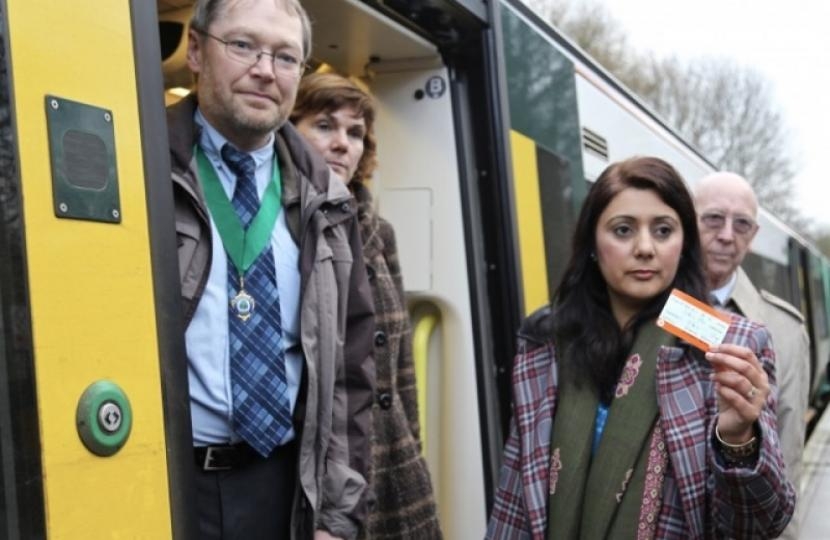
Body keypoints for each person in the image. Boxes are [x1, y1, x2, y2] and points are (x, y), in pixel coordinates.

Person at [486, 157, 795, 539]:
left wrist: (738, 441)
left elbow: (759, 524)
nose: (645, 248)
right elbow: (514, 500)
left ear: (684, 244)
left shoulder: (730, 345)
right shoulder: (546, 340)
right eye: (623, 230)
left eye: (663, 230)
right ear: (592, 244)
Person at [168, 1, 375, 538]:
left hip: (283, 490)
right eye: (242, 46)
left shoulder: (329, 202)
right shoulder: (141, 165)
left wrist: (336, 518)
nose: (265, 69)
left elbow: (350, 374)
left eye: (286, 57)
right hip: (165, 479)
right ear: (195, 50)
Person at [291, 72, 443, 539]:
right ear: (288, 130)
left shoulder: (380, 234)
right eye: (325, 126)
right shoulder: (279, 225)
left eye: (355, 133)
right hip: (319, 470)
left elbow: (399, 370)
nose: (342, 144)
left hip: (392, 463)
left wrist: (413, 451)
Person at [695, 171, 810, 540]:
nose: (727, 235)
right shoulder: (645, 311)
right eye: (713, 218)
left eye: (742, 224)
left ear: (753, 236)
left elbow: (788, 464)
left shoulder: (786, 332)